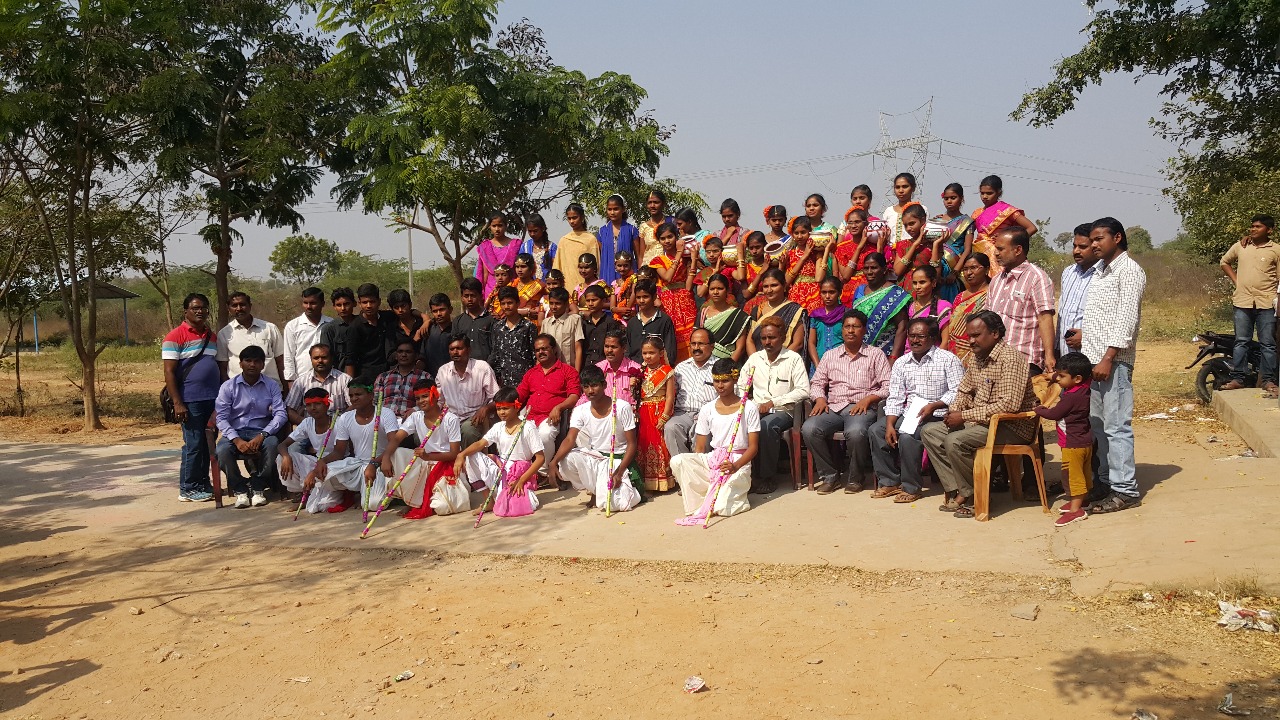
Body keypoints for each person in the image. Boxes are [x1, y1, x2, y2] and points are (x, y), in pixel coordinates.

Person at [921, 311, 1040, 519]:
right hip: (982, 422)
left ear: (995, 334)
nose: (971, 341)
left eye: (976, 335)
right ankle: (960, 489)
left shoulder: (1011, 359)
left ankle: (977, 496)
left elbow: (1009, 405)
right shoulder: (977, 358)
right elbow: (964, 391)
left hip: (1011, 426)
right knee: (930, 432)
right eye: (969, 336)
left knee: (955, 441)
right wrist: (954, 411)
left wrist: (964, 416)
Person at [1081, 217, 1147, 515]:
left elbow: (1126, 319)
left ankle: (1125, 490)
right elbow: (1102, 315)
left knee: (1117, 426)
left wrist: (1109, 357)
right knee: (1098, 425)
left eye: (1099, 239)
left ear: (1117, 238)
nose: (1094, 244)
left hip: (1114, 361)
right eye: (1092, 240)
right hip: (1093, 360)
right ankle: (1107, 482)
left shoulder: (1129, 271)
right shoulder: (1100, 271)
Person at [869, 318, 964, 504]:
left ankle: (911, 487)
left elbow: (958, 391)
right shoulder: (902, 363)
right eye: (911, 336)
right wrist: (889, 424)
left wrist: (935, 405)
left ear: (932, 338)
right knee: (876, 431)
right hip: (910, 414)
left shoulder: (948, 359)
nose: (914, 340)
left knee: (908, 436)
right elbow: (895, 397)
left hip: (939, 415)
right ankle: (890, 481)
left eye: (920, 336)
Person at [802, 309, 891, 494]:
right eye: (847, 326)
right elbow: (817, 382)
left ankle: (856, 478)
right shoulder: (830, 355)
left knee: (856, 432)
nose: (851, 330)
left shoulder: (875, 354)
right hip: (834, 407)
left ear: (864, 330)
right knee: (809, 429)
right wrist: (820, 399)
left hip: (862, 408)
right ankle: (830, 477)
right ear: (841, 330)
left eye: (856, 327)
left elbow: (888, 386)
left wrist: (869, 399)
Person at [669, 358, 761, 520]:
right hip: (714, 460)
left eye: (725, 381)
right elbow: (699, 448)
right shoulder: (707, 409)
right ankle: (704, 495)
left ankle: (735, 497)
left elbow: (753, 447)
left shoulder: (748, 407)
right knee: (678, 461)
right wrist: (701, 469)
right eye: (716, 381)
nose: (720, 385)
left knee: (722, 508)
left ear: (735, 379)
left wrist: (735, 466)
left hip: (737, 462)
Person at [546, 366, 642, 511]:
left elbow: (632, 444)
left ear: (604, 385)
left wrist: (619, 472)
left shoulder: (622, 407)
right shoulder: (580, 410)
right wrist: (553, 462)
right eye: (586, 387)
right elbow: (570, 439)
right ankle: (596, 490)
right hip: (597, 458)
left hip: (618, 460)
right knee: (567, 460)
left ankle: (606, 490)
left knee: (614, 505)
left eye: (594, 385)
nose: (590, 391)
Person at [739, 316, 809, 494]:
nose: (767, 342)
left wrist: (774, 402)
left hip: (784, 411)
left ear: (783, 337)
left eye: (772, 337)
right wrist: (748, 404)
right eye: (764, 338)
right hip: (756, 409)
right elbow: (741, 386)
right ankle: (744, 475)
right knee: (738, 423)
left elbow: (803, 390)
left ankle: (767, 477)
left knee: (766, 426)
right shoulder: (755, 359)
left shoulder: (793, 359)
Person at [163, 293, 221, 502]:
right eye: (195, 308)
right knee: (193, 444)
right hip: (190, 400)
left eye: (203, 307)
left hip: (212, 399)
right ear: (185, 311)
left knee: (208, 443)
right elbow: (169, 372)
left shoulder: (211, 336)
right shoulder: (175, 336)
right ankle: (188, 488)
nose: (200, 311)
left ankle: (203, 483)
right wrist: (178, 402)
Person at [214, 345, 288, 509]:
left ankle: (258, 487)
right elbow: (221, 418)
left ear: (263, 364)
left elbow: (281, 414)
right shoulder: (228, 386)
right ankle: (240, 489)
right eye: (248, 361)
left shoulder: (272, 385)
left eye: (257, 361)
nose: (252, 365)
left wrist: (263, 434)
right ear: (240, 364)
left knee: (273, 445)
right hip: (236, 432)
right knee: (222, 450)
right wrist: (236, 439)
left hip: (262, 431)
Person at [313, 380, 401, 514]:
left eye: (358, 394)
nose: (354, 398)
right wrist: (322, 461)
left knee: (373, 505)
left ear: (371, 395)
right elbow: (339, 452)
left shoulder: (385, 414)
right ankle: (353, 492)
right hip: (358, 465)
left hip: (381, 465)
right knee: (325, 474)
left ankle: (386, 491)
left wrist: (374, 463)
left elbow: (394, 442)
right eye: (351, 395)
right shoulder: (345, 418)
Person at [455, 387, 545, 517]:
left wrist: (521, 480)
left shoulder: (528, 427)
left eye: (506, 408)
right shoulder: (498, 427)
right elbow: (480, 444)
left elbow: (540, 458)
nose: (501, 412)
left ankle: (507, 492)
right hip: (501, 470)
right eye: (498, 409)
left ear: (517, 407)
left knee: (524, 505)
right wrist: (461, 454)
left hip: (521, 474)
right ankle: (488, 501)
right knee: (471, 456)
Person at [380, 381, 463, 519]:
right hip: (425, 462)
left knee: (442, 507)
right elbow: (396, 439)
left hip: (446, 464)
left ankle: (425, 499)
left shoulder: (450, 419)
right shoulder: (416, 417)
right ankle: (413, 501)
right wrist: (385, 457)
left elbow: (454, 454)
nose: (421, 401)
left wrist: (429, 457)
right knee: (397, 453)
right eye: (417, 398)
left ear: (435, 395)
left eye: (425, 396)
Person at [1033, 352, 1095, 527]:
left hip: (1072, 444)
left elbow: (1055, 414)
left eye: (1062, 376)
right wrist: (1052, 376)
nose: (1058, 379)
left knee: (1073, 476)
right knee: (1083, 473)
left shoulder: (1070, 397)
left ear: (1077, 378)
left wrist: (1039, 409)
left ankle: (1076, 511)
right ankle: (1082, 501)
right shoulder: (1083, 387)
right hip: (1084, 441)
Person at [1219, 214, 1280, 393]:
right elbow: (1224, 262)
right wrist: (1236, 281)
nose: (1253, 229)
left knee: (1267, 343)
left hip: (1266, 303)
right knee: (1241, 342)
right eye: (1252, 226)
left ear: (1269, 230)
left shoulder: (1276, 250)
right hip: (1242, 301)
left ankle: (1268, 380)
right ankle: (1238, 378)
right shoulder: (1241, 246)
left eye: (1258, 227)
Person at [987, 225, 1057, 373]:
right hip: (995, 359)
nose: (996, 253)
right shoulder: (996, 280)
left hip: (1023, 361)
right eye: (996, 249)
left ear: (1018, 250)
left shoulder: (1037, 278)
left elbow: (1045, 318)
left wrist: (1049, 355)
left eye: (1000, 249)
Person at [516, 334, 582, 479]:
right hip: (529, 416)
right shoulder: (531, 373)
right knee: (512, 433)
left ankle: (542, 473)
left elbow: (574, 395)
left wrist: (559, 407)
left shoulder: (568, 371)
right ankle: (520, 471)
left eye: (544, 348)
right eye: (537, 350)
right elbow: (520, 394)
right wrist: (507, 405)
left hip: (551, 417)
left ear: (554, 349)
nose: (541, 352)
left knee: (545, 435)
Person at [277, 388, 343, 513]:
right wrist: (286, 457)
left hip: (337, 467)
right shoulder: (307, 422)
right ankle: (302, 493)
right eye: (309, 405)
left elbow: (339, 453)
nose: (313, 408)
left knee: (322, 506)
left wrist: (314, 472)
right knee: (281, 457)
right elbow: (282, 445)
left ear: (327, 404)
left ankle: (339, 492)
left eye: (317, 404)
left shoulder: (338, 421)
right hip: (318, 463)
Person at [434, 333, 499, 448]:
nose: (455, 352)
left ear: (469, 350)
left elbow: (497, 397)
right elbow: (439, 401)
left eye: (459, 348)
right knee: (424, 430)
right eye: (452, 349)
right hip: (450, 418)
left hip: (475, 418)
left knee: (468, 431)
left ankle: (467, 459)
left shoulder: (482, 368)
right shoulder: (443, 371)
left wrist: (486, 408)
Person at [647, 221, 698, 360]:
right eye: (663, 238)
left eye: (670, 237)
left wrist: (693, 260)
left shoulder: (686, 257)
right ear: (659, 241)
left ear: (676, 237)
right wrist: (679, 253)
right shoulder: (657, 260)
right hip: (668, 303)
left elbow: (689, 286)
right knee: (671, 336)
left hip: (686, 300)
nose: (667, 241)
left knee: (691, 335)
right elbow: (667, 277)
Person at [664, 328, 718, 457]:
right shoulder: (681, 367)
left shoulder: (719, 367)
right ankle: (682, 467)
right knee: (671, 427)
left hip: (708, 414)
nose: (696, 348)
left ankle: (699, 467)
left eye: (701, 344)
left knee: (700, 432)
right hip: (682, 413)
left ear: (712, 346)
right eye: (693, 344)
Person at [851, 252, 909, 360]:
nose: (869, 272)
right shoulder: (859, 290)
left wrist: (893, 358)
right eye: (866, 268)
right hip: (860, 352)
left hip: (886, 352)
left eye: (874, 268)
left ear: (884, 269)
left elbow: (902, 327)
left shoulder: (895, 293)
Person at [216, 291, 285, 382]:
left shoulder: (269, 328)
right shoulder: (224, 334)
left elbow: (280, 360)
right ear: (228, 308)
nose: (239, 309)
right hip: (239, 388)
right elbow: (223, 366)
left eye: (242, 304)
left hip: (269, 386)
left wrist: (286, 387)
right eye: (234, 305)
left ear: (250, 306)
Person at [636, 336, 676, 492]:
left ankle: (662, 481)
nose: (647, 356)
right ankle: (646, 481)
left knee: (660, 444)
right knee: (644, 444)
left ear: (661, 353)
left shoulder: (667, 371)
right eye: (645, 353)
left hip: (659, 410)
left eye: (651, 353)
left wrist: (665, 416)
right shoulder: (641, 370)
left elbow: (670, 396)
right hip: (644, 411)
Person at [972, 176, 1038, 268]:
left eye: (989, 193)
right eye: (982, 193)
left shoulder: (1007, 211)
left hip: (998, 255)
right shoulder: (977, 213)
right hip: (980, 254)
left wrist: (1011, 241)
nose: (985, 197)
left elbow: (1032, 228)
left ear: (999, 192)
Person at [1057, 224, 1100, 359]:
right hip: (1065, 353)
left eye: (1082, 247)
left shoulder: (1105, 275)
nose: (1076, 251)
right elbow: (1062, 312)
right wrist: (1056, 347)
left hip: (1092, 353)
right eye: (1074, 246)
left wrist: (1086, 336)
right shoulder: (1068, 272)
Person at [930, 183, 977, 302]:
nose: (949, 201)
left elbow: (967, 249)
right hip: (936, 264)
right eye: (946, 199)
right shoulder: (937, 220)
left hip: (954, 267)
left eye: (953, 198)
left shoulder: (967, 222)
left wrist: (955, 272)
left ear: (961, 199)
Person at [285, 343, 351, 425]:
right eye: (316, 358)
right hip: (309, 428)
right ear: (311, 359)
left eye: (324, 357)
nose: (320, 361)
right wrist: (306, 425)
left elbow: (354, 405)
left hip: (339, 426)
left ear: (331, 358)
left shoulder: (345, 380)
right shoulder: (301, 382)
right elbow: (290, 410)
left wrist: (340, 422)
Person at [944, 253, 992, 360]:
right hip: (952, 353)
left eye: (973, 268)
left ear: (986, 269)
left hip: (976, 353)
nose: (969, 273)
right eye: (965, 269)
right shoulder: (959, 296)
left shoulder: (991, 295)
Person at [747, 268, 806, 355]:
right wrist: (756, 360)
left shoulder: (795, 310)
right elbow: (750, 341)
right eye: (765, 286)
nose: (769, 290)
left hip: (785, 360)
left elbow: (798, 343)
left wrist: (779, 360)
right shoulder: (758, 310)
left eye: (774, 285)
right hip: (758, 360)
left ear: (784, 286)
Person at [283, 287, 333, 387]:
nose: (308, 307)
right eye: (305, 303)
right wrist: (291, 382)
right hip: (302, 380)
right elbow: (289, 356)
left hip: (329, 380)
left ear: (322, 304)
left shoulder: (331, 324)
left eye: (313, 303)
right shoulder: (293, 326)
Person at [827, 207, 877, 304]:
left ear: (865, 224)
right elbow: (846, 276)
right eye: (850, 223)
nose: (853, 226)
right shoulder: (841, 248)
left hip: (872, 290)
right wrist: (859, 248)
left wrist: (879, 246)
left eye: (857, 222)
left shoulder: (873, 246)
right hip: (851, 294)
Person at [347, 283, 398, 379]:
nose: (369, 306)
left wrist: (425, 318)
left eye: (372, 301)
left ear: (379, 302)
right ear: (359, 303)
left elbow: (407, 312)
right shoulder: (355, 327)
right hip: (365, 378)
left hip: (389, 375)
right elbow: (350, 359)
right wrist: (350, 383)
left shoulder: (388, 317)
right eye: (365, 302)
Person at [491, 286, 537, 389]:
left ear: (518, 303)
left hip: (525, 382)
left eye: (510, 303)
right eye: (503, 303)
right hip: (504, 383)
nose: (506, 307)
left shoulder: (528, 327)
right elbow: (496, 354)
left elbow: (534, 356)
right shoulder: (498, 327)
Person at [698, 273, 750, 361]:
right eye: (712, 289)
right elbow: (696, 342)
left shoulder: (738, 316)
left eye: (720, 288)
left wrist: (726, 366)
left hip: (728, 362)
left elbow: (740, 348)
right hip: (704, 362)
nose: (715, 292)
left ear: (727, 290)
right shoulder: (702, 314)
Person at [374, 341, 431, 419]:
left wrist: (415, 410)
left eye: (408, 352)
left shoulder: (425, 377)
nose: (403, 355)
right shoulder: (383, 377)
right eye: (400, 352)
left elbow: (429, 400)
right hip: (383, 419)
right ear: (396, 356)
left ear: (416, 356)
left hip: (411, 419)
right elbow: (375, 401)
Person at [627, 280, 678, 366]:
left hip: (658, 370)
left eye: (645, 297)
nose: (641, 300)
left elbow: (670, 350)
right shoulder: (632, 322)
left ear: (654, 297)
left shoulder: (664, 320)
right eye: (638, 297)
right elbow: (628, 350)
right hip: (635, 370)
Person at [553, 203, 599, 291]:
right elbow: (557, 267)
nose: (572, 221)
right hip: (567, 287)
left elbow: (596, 266)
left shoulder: (591, 239)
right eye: (569, 218)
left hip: (587, 288)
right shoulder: (564, 240)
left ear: (582, 217)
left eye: (574, 218)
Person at [891, 204, 936, 292]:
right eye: (905, 225)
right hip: (905, 291)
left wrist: (937, 245)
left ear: (923, 220)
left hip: (925, 291)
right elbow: (897, 271)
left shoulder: (932, 244)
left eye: (912, 223)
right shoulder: (902, 245)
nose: (908, 228)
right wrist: (914, 245)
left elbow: (936, 273)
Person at [592, 329, 643, 406]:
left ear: (624, 348)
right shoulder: (597, 369)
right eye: (606, 346)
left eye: (613, 347)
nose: (609, 350)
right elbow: (586, 397)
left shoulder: (637, 370)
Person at [476, 211, 521, 297]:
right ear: (490, 226)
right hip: (491, 292)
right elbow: (484, 274)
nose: (497, 229)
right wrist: (481, 294)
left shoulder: (515, 245)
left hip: (512, 289)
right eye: (494, 226)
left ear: (506, 226)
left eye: (500, 225)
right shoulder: (485, 247)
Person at [807, 276, 848, 370]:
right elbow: (811, 343)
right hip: (819, 364)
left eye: (832, 292)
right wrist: (818, 366)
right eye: (824, 292)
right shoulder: (815, 315)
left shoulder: (846, 314)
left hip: (842, 365)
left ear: (839, 293)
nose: (827, 296)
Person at [597, 194, 638, 284]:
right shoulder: (602, 232)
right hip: (607, 273)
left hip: (628, 273)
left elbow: (638, 256)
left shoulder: (631, 230)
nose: (612, 212)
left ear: (623, 209)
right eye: (609, 209)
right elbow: (601, 256)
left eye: (616, 209)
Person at [784, 216, 822, 311]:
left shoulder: (816, 253)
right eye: (796, 233)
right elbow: (787, 281)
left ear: (810, 232)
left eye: (803, 232)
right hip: (796, 294)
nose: (799, 236)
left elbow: (819, 277)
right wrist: (804, 256)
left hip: (814, 293)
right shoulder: (790, 254)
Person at [540, 287, 585, 368]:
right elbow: (541, 349)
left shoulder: (575, 320)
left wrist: (576, 372)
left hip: (569, 368)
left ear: (566, 304)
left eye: (558, 303)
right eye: (551, 303)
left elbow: (578, 348)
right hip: (550, 369)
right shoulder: (546, 323)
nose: (554, 307)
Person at [580, 284, 622, 369]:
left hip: (605, 367)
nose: (590, 304)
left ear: (603, 301)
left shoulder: (610, 323)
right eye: (588, 301)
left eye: (594, 300)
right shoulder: (583, 323)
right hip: (586, 367)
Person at [319, 287, 358, 375]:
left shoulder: (361, 324)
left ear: (354, 303)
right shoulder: (329, 329)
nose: (343, 308)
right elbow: (326, 356)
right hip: (339, 375)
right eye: (339, 305)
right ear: (334, 307)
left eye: (346, 304)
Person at [882, 172, 927, 247]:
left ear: (913, 188)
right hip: (890, 251)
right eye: (897, 187)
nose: (901, 190)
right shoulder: (889, 211)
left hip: (915, 250)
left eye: (905, 186)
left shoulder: (921, 209)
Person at [692, 236, 739, 308]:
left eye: (715, 251)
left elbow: (740, 277)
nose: (711, 255)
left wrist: (739, 256)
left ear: (722, 251)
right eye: (708, 252)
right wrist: (715, 272)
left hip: (729, 305)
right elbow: (700, 293)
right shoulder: (703, 272)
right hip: (710, 307)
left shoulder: (728, 268)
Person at [455, 278, 493, 362]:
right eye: (466, 296)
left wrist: (487, 366)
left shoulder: (491, 319)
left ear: (480, 296)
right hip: (463, 367)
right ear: (462, 297)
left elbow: (495, 348)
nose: (469, 299)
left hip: (486, 367)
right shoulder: (458, 321)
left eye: (473, 295)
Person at [907, 265, 953, 335]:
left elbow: (945, 340)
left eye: (922, 282)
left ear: (933, 283)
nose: (917, 287)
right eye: (915, 283)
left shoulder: (943, 307)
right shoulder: (911, 306)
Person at [735, 230, 770, 313]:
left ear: (765, 245)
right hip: (751, 308)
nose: (754, 251)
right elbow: (746, 294)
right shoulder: (745, 268)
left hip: (770, 306)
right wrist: (761, 272)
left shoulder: (771, 265)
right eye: (751, 248)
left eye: (758, 247)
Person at [421, 293, 455, 376]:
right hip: (430, 377)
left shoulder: (456, 330)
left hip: (452, 377)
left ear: (450, 309)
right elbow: (422, 356)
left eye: (442, 309)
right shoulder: (428, 330)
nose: (439, 314)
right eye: (435, 311)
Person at [638, 189, 674, 266]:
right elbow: (641, 255)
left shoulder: (672, 222)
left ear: (663, 204)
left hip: (668, 266)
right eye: (649, 203)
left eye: (656, 202)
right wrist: (641, 271)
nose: (652, 206)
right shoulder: (643, 226)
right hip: (648, 267)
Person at [518, 212, 556, 280]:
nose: (532, 234)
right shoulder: (525, 247)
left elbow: (555, 268)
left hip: (547, 284)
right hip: (529, 285)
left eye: (535, 231)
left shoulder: (552, 247)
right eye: (530, 231)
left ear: (543, 228)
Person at [511, 253, 545, 327]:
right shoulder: (511, 285)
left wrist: (540, 309)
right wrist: (525, 311)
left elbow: (549, 302)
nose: (519, 270)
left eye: (523, 266)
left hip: (532, 324)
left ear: (531, 268)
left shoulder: (539, 286)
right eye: (517, 267)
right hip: (513, 323)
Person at [610, 250, 638, 323]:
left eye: (625, 265)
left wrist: (627, 309)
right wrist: (619, 310)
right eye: (619, 266)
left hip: (632, 314)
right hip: (618, 317)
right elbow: (612, 307)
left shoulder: (634, 279)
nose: (622, 269)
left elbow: (634, 293)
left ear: (631, 265)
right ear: (615, 266)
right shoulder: (614, 284)